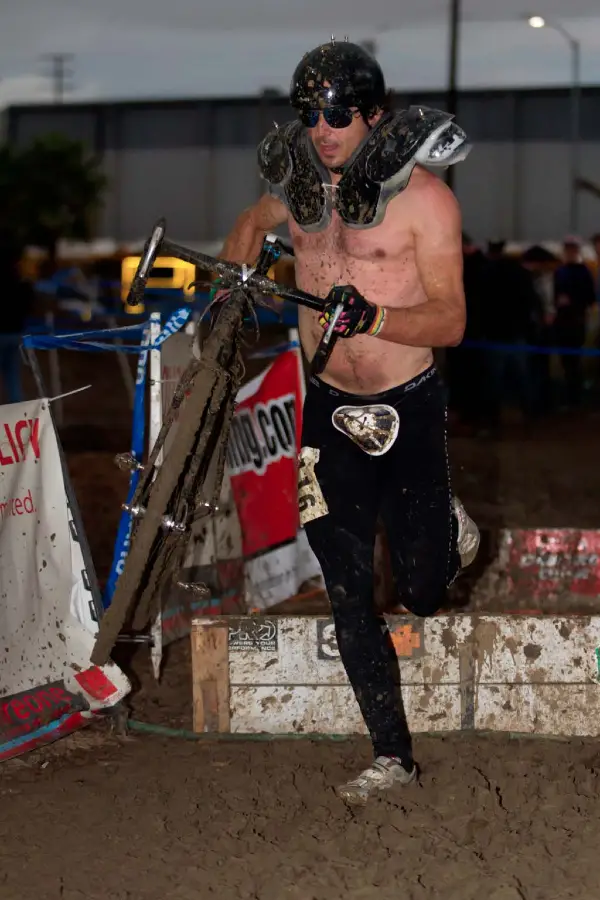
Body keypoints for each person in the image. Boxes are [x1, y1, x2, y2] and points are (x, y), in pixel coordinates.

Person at [213, 39, 480, 805]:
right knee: (347, 586)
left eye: (338, 114)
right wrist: (236, 291)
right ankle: (391, 756)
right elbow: (249, 223)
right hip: (326, 414)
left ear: (374, 116)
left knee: (422, 589)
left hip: (409, 409)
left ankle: (448, 531)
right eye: (310, 114)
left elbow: (453, 320)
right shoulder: (299, 189)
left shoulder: (426, 200)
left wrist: (377, 314)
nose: (323, 129)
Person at [553, 235, 596, 408]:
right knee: (566, 360)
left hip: (576, 320)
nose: (570, 252)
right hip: (563, 320)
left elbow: (590, 297)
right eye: (568, 249)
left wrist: (572, 300)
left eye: (573, 249)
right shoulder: (560, 271)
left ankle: (574, 397)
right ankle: (570, 395)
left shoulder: (583, 271)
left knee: (573, 360)